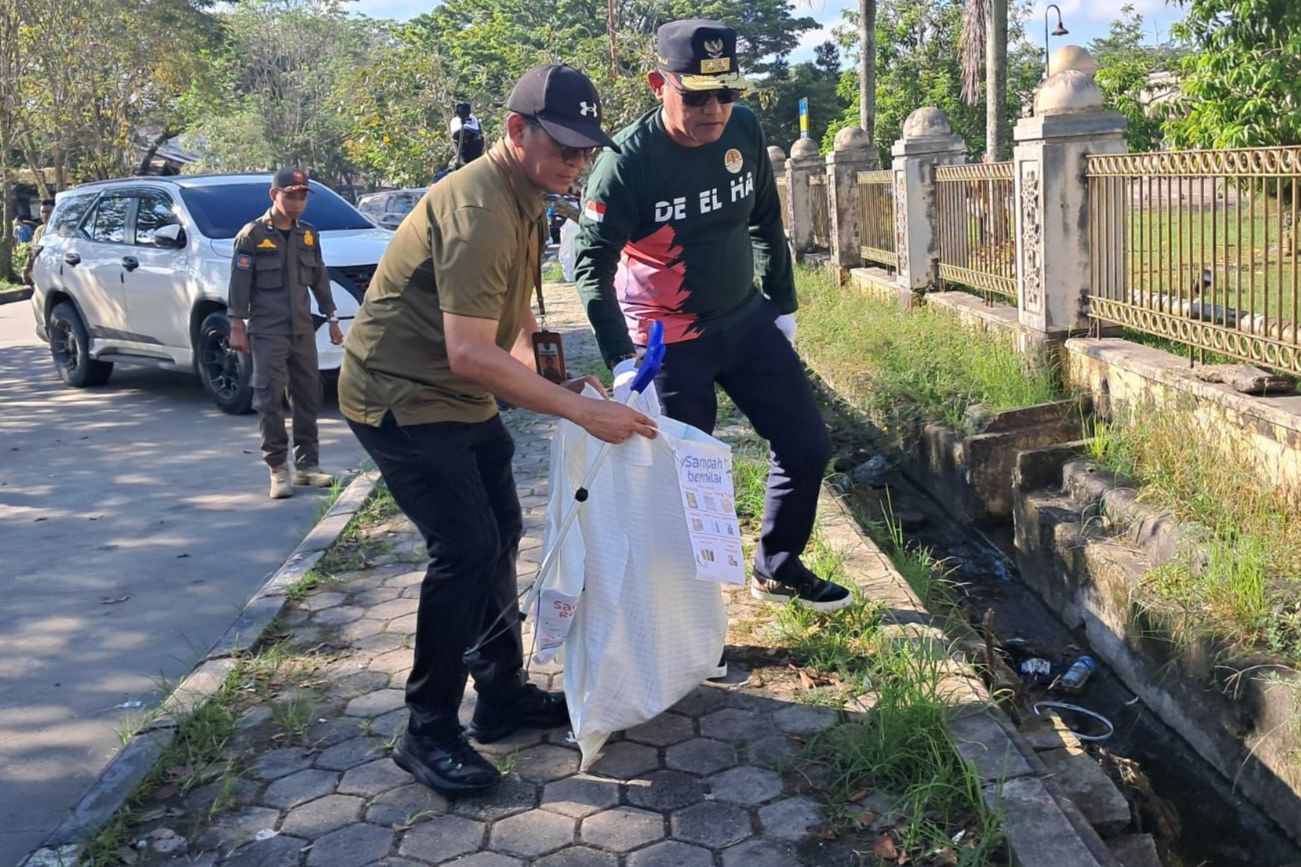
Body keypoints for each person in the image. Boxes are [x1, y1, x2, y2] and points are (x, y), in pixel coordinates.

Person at [338, 63, 655, 796]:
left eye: (585, 150)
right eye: (564, 147)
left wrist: (553, 379)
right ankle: (426, 729)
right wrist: (579, 410)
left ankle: (500, 694)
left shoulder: (529, 196)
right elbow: (468, 350)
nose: (576, 162)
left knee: (500, 530)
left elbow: (506, 322)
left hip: (457, 393)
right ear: (516, 130)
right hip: (400, 395)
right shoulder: (479, 204)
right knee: (465, 547)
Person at [574, 18, 852, 621]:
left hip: (746, 320)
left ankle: (778, 566)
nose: (714, 109)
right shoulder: (626, 162)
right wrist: (621, 355)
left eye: (725, 93)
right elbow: (589, 263)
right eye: (696, 95)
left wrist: (783, 305)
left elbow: (765, 219)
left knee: (807, 446)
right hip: (666, 340)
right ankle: (691, 622)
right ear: (658, 84)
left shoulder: (744, 132)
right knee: (689, 487)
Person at [227, 167, 343, 499]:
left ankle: (308, 466)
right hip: (267, 330)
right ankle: (278, 468)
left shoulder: (308, 234)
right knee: (268, 398)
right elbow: (240, 284)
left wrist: (332, 318)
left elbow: (319, 279)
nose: (297, 202)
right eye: (290, 195)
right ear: (274, 195)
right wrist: (237, 324)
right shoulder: (252, 235)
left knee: (308, 395)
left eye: (302, 196)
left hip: (302, 329)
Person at [22, 200, 54, 286]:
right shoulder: (39, 230)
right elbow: (33, 252)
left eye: (48, 212)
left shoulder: (62, 230)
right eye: (42, 212)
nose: (45, 215)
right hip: (40, 273)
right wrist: (26, 271)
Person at [450, 100, 485, 167]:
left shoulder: (499, 172)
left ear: (481, 139)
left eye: (470, 136)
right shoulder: (446, 177)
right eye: (459, 138)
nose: (465, 142)